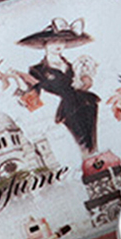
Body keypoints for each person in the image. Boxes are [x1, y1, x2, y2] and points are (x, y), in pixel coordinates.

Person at [18, 17, 100, 153]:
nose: (58, 44)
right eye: (53, 41)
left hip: (88, 104)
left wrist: (86, 83)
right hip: (67, 110)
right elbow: (33, 103)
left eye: (62, 40)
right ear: (44, 44)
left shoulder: (73, 66)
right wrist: (21, 86)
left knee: (92, 141)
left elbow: (78, 86)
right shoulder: (38, 70)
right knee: (82, 145)